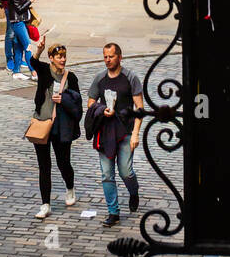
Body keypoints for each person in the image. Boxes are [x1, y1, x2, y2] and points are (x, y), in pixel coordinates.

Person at [86, 44, 144, 228]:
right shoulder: (100, 79)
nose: (108, 60)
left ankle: (133, 191)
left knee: (126, 171)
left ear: (120, 57)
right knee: (106, 174)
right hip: (106, 132)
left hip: (125, 132)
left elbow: (140, 108)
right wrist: (102, 110)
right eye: (105, 57)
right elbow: (90, 103)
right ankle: (113, 212)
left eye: (111, 56)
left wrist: (135, 133)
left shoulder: (130, 78)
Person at [28, 35, 83, 218]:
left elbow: (77, 104)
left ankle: (70, 188)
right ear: (51, 58)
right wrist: (39, 50)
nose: (62, 59)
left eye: (64, 56)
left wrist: (64, 99)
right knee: (44, 166)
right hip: (43, 123)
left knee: (63, 162)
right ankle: (45, 205)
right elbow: (32, 62)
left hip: (61, 126)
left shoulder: (71, 78)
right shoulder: (44, 71)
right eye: (59, 56)